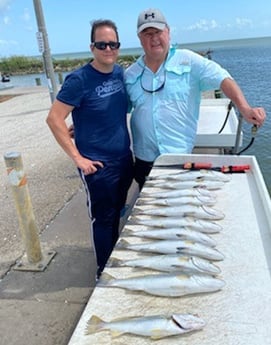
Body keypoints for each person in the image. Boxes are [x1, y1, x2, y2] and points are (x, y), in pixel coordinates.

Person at [125, 8, 266, 189]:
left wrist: (245, 108)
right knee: (150, 206)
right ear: (139, 38)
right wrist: (86, 124)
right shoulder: (130, 74)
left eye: (158, 32)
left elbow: (223, 78)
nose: (154, 38)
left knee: (179, 206)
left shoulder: (189, 61)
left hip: (179, 155)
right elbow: (116, 109)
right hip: (144, 158)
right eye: (147, 33)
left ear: (168, 32)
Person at [46, 19, 134, 279]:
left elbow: (102, 109)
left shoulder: (119, 73)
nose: (108, 49)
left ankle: (114, 255)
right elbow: (53, 118)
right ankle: (104, 273)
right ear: (92, 47)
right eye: (102, 44)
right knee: (103, 219)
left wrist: (80, 124)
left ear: (118, 46)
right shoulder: (79, 79)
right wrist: (78, 158)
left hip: (123, 158)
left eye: (113, 44)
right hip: (97, 165)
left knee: (117, 210)